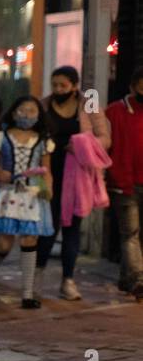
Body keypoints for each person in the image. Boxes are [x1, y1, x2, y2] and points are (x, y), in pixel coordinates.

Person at [38, 66, 113, 302]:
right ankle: (36, 275)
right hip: (49, 172)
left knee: (72, 228)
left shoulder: (88, 102)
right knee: (48, 226)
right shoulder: (44, 104)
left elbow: (104, 138)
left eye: (63, 85)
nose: (58, 89)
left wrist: (80, 145)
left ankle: (68, 281)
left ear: (74, 85)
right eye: (55, 85)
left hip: (77, 174)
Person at [0, 96, 54, 306]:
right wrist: (0, 172)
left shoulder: (43, 141)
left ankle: (27, 293)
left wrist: (49, 189)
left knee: (29, 240)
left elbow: (46, 170)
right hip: (7, 193)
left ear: (39, 114)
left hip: (32, 194)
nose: (26, 114)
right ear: (14, 112)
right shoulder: (1, 137)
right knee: (4, 244)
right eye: (22, 110)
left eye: (31, 110)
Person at [106, 64, 143, 299]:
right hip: (124, 182)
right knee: (130, 233)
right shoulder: (115, 112)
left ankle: (126, 278)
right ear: (132, 87)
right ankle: (139, 278)